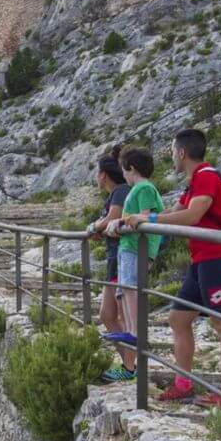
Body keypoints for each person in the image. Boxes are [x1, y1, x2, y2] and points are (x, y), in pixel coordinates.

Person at [123, 128, 221, 409]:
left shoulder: (207, 177)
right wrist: (141, 218)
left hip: (217, 259)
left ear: (181, 152)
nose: (172, 157)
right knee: (178, 318)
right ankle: (183, 384)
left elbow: (193, 215)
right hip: (201, 260)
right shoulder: (194, 182)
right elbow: (174, 213)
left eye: (173, 151)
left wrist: (149, 219)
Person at [110, 147, 164, 375]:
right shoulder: (138, 189)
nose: (122, 174)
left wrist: (122, 223)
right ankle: (131, 330)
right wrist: (120, 224)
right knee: (124, 289)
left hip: (136, 247)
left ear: (131, 168)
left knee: (131, 287)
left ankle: (135, 332)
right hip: (128, 247)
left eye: (123, 170)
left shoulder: (144, 188)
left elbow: (144, 216)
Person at [88, 147, 136, 382]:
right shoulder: (115, 194)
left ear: (103, 175)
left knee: (122, 315)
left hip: (122, 258)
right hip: (113, 259)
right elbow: (109, 223)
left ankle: (129, 367)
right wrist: (101, 229)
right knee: (107, 315)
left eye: (97, 173)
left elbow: (112, 218)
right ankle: (130, 364)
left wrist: (93, 227)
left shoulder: (121, 191)